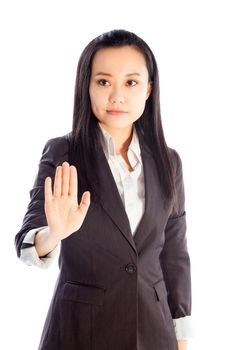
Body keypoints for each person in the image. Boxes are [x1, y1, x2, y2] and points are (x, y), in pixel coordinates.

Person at [15, 29, 192, 350]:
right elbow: (28, 244)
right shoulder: (63, 152)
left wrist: (181, 335)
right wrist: (54, 233)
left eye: (131, 82)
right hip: (80, 330)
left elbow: (174, 253)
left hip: (153, 331)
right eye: (103, 81)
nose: (117, 96)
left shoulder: (170, 161)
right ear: (87, 87)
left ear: (149, 89)